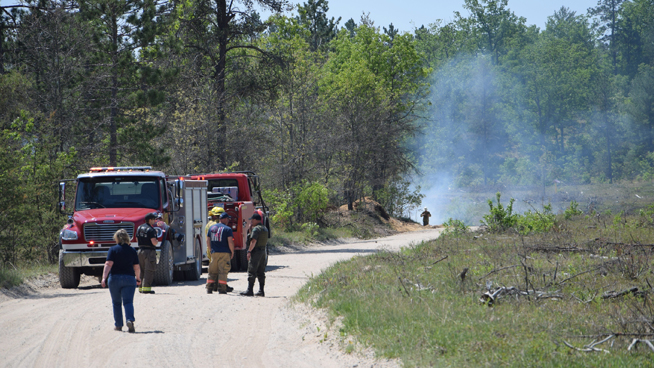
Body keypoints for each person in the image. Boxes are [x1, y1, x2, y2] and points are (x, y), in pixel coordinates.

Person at [101, 229, 141, 333]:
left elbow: (108, 264)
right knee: (128, 302)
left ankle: (118, 325)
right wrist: (138, 278)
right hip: (129, 278)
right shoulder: (132, 250)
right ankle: (130, 320)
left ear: (116, 238)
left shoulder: (113, 249)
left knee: (116, 302)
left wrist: (104, 278)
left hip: (115, 279)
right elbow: (136, 267)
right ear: (127, 238)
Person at [240, 211, 268, 297]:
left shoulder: (256, 229)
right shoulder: (264, 228)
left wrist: (249, 251)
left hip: (256, 252)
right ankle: (261, 291)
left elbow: (253, 241)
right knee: (261, 271)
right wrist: (250, 230)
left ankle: (250, 290)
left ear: (256, 220)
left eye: (252, 220)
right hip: (263, 251)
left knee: (252, 270)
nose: (251, 221)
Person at [206, 212, 235, 294]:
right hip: (224, 253)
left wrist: (211, 249)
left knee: (212, 271)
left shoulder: (211, 228)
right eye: (228, 219)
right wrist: (232, 251)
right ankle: (222, 289)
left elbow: (208, 240)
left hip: (214, 252)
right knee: (223, 271)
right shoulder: (227, 229)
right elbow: (230, 242)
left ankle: (209, 288)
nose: (228, 220)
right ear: (225, 219)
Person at [136, 212, 159, 294]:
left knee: (141, 270)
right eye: (154, 219)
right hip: (149, 252)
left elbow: (136, 239)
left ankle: (140, 288)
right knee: (149, 270)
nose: (155, 221)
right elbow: (154, 242)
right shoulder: (151, 229)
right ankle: (146, 289)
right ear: (150, 220)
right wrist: (157, 240)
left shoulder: (139, 228)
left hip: (140, 251)